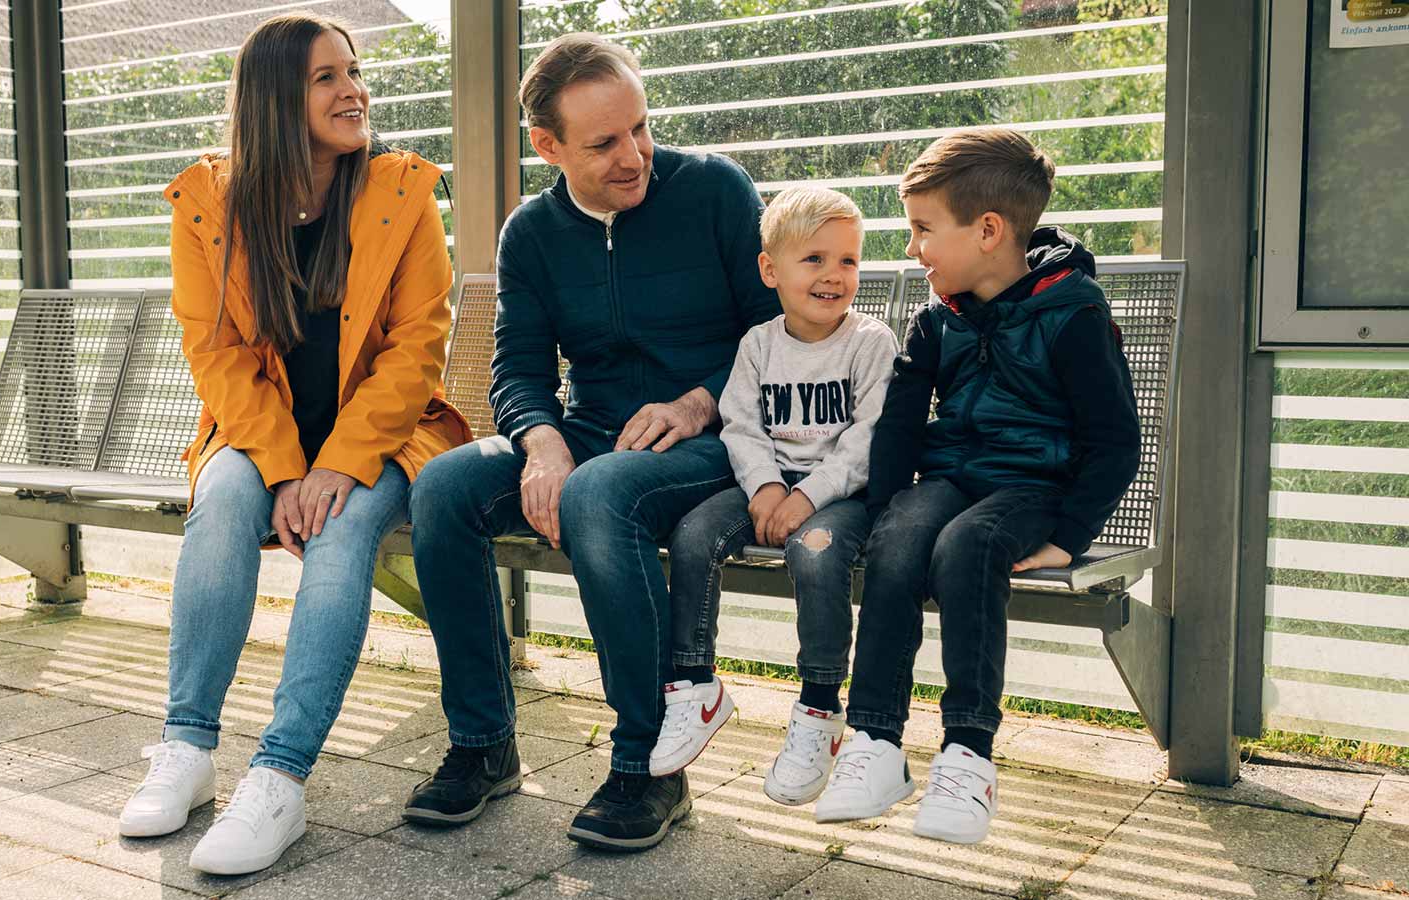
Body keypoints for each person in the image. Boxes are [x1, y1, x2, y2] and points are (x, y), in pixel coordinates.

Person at [401, 33, 780, 852]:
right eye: (604, 142)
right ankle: (482, 743)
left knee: (600, 491)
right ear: (550, 147)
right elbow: (518, 368)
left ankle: (649, 765)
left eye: (640, 128)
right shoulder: (532, 233)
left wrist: (700, 402)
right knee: (442, 487)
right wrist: (539, 442)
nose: (634, 155)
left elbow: (779, 335)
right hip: (592, 431)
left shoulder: (715, 189)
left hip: (721, 437)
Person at [116, 13, 469, 875]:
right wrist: (281, 470)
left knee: (343, 529)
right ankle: (188, 748)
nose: (354, 90)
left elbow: (418, 346)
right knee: (224, 496)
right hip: (261, 434)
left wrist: (337, 465)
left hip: (382, 438)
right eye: (326, 78)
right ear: (276, 97)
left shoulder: (400, 191)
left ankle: (280, 778)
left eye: (353, 71)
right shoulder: (209, 203)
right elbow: (217, 352)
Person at [818, 127, 1141, 842]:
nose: (912, 250)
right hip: (953, 477)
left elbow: (1116, 440)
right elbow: (900, 423)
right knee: (900, 541)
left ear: (989, 230)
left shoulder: (1072, 314)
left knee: (967, 547)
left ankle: (968, 755)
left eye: (923, 230)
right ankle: (874, 743)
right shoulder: (939, 317)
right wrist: (882, 507)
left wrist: (1068, 537)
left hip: (1035, 490)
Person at [650, 188, 898, 810]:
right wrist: (764, 486)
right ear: (771, 271)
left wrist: (807, 497)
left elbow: (871, 438)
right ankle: (695, 684)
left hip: (841, 497)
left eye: (848, 260)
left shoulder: (870, 343)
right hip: (767, 486)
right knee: (693, 536)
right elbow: (738, 423)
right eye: (814, 259)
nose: (834, 276)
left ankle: (819, 709)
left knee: (814, 556)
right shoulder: (758, 345)